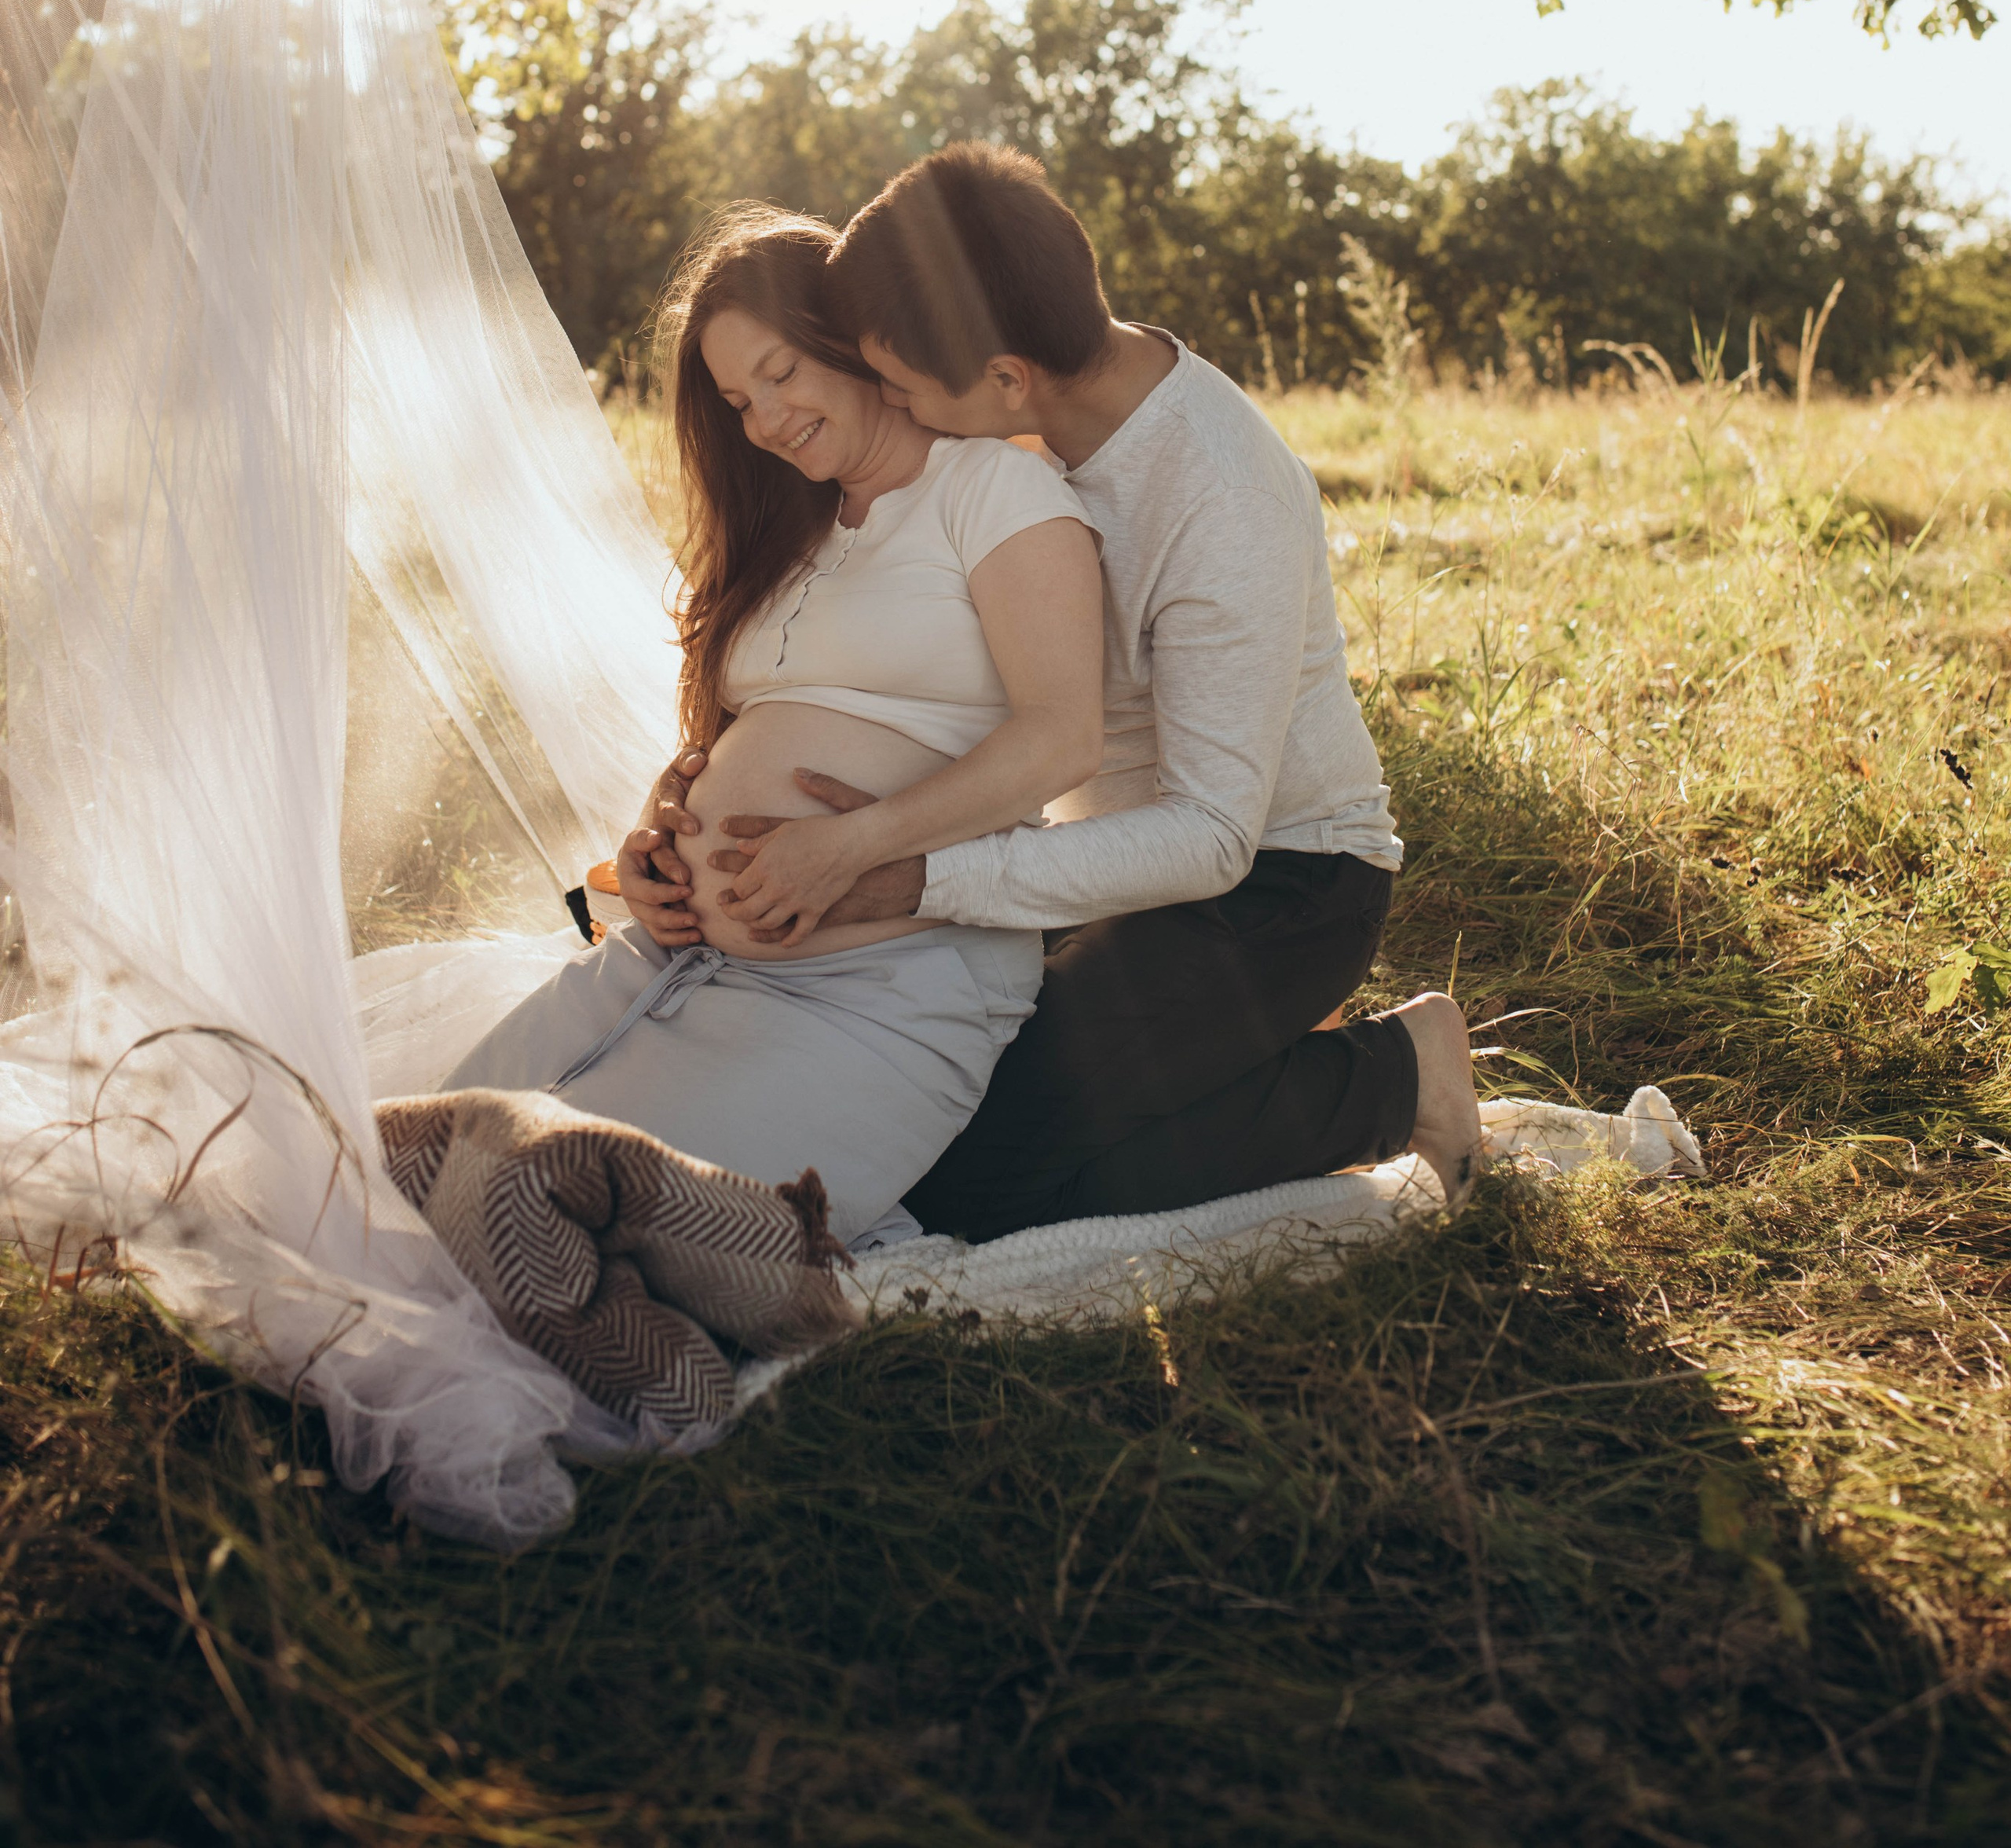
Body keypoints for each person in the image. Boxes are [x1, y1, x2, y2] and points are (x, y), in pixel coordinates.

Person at [623, 146, 1482, 1241]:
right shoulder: (1018, 409)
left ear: (1007, 379)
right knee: (932, 1119)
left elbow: (1213, 837)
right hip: (1087, 878)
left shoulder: (1219, 498)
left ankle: (1393, 1077)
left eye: (898, 384)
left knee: (973, 1180)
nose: (884, 402)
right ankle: (1222, 1062)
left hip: (1277, 885)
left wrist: (915, 877)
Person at [442, 204, 1105, 1245]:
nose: (764, 420)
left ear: (850, 339)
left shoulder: (991, 489)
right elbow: (736, 735)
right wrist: (660, 840)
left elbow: (1064, 737)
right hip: (676, 959)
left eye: (782, 373)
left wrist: (852, 844)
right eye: (740, 399)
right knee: (424, 1166)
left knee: (579, 1219)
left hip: (886, 985)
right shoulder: (790, 529)